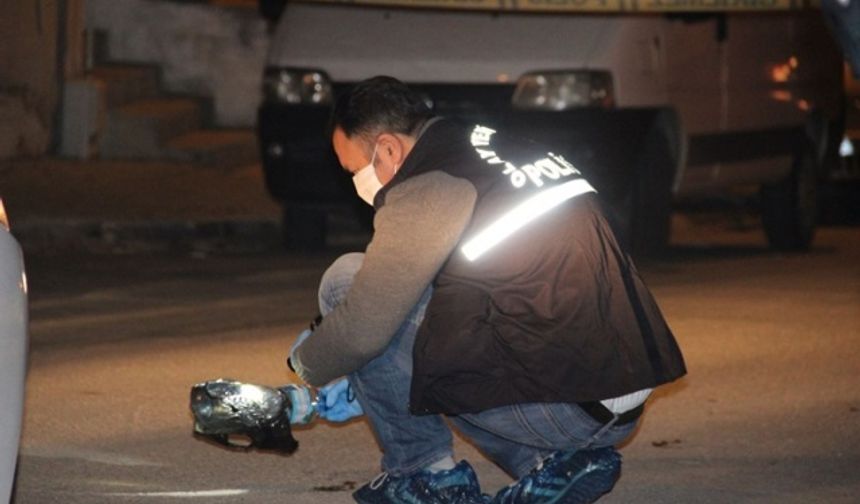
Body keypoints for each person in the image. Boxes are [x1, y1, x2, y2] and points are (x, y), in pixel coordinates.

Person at [287, 76, 686, 504]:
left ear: (388, 149)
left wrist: (304, 366)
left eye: (356, 171)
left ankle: (425, 475)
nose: (359, 185)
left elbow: (363, 329)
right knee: (436, 323)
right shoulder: (498, 147)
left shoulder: (429, 182)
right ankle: (549, 468)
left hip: (567, 406)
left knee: (347, 281)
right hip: (619, 393)